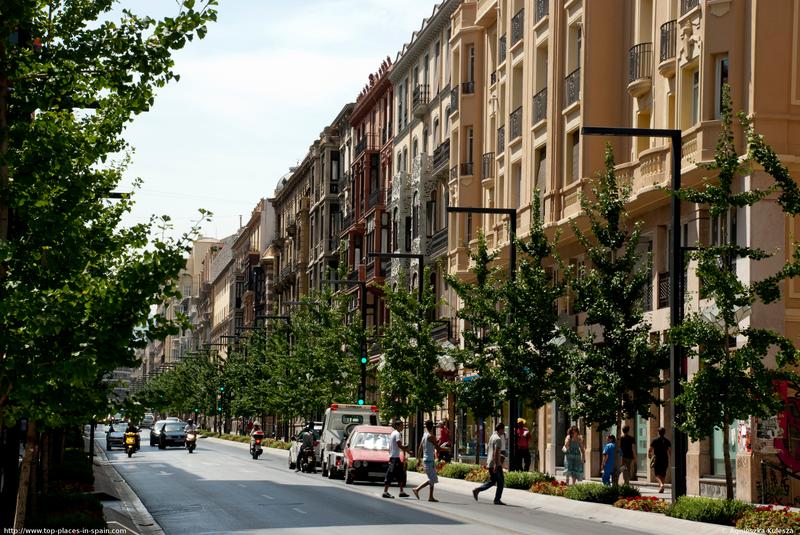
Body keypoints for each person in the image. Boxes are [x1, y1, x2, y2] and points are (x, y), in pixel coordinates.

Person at [472, 422, 506, 505]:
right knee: (501, 482)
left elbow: (489, 450)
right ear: (500, 429)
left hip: (490, 462)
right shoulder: (498, 439)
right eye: (503, 430)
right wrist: (496, 464)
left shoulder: (492, 437)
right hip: (496, 464)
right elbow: (496, 452)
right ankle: (497, 499)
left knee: (492, 481)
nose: (504, 431)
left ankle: (477, 490)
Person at [412, 420, 440, 502]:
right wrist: (447, 449)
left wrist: (418, 459)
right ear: (432, 427)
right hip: (429, 460)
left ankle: (431, 496)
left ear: (426, 426)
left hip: (427, 459)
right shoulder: (431, 436)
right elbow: (438, 448)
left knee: (432, 479)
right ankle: (417, 489)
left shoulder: (424, 435)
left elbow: (420, 447)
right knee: (433, 479)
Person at [383, 420, 410, 499]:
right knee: (390, 474)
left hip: (395, 458)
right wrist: (407, 450)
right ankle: (385, 492)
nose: (403, 427)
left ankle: (401, 491)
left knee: (401, 474)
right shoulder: (397, 434)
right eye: (401, 425)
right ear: (398, 426)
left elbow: (391, 446)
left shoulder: (393, 433)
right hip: (394, 458)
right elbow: (399, 444)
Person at [648, 427, 672, 493]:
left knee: (657, 474)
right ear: (664, 433)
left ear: (658, 432)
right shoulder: (667, 441)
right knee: (663, 474)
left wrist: (649, 455)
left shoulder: (654, 440)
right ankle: (662, 487)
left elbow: (650, 450)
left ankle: (661, 485)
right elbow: (670, 451)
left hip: (657, 459)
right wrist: (671, 459)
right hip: (665, 459)